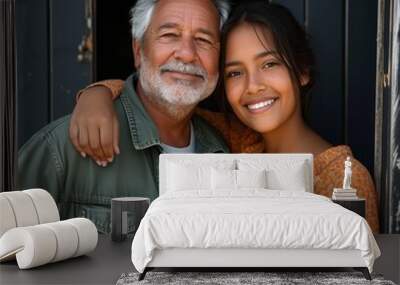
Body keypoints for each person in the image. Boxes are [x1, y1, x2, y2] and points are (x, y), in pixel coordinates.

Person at [70, 2, 380, 233]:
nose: (253, 86)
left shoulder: (342, 178)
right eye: (235, 72)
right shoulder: (230, 137)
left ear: (302, 72)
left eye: (269, 64)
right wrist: (99, 94)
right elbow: (161, 103)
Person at [17, 0, 231, 233]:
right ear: (138, 51)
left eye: (203, 40)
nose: (187, 54)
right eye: (170, 35)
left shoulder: (225, 154)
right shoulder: (62, 148)